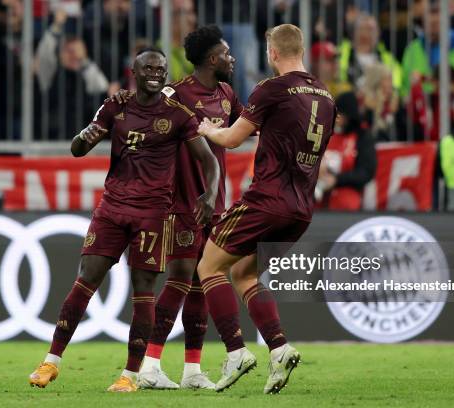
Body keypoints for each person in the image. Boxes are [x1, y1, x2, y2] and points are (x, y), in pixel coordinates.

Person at [28, 47, 220, 393]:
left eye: (160, 69)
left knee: (143, 290)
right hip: (113, 207)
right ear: (134, 71)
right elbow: (79, 147)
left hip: (152, 213)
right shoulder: (116, 105)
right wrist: (82, 139)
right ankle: (51, 361)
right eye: (148, 68)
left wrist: (209, 194)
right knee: (86, 278)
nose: (155, 74)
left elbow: (209, 160)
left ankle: (130, 376)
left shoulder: (178, 114)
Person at [196, 24, 336, 394]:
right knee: (244, 275)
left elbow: (232, 139)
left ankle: (236, 351)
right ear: (302, 50)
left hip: (267, 200)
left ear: (272, 53)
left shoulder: (271, 88)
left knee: (209, 267)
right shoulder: (325, 96)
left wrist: (208, 128)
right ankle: (279, 349)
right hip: (301, 208)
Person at [136, 24, 243, 390]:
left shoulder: (228, 93)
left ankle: (192, 370)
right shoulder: (176, 94)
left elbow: (248, 125)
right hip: (181, 201)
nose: (233, 58)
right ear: (213, 59)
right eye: (227, 54)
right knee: (181, 278)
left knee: (202, 281)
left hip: (215, 201)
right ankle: (149, 365)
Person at [35, 8, 110, 139]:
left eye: (74, 47)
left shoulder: (87, 70)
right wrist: (56, 28)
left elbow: (102, 88)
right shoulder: (50, 73)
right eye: (66, 48)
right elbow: (45, 55)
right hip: (52, 141)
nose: (71, 51)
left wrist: (83, 60)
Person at [316, 91, 376, 210]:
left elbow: (366, 172)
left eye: (340, 114)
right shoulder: (327, 133)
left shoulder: (362, 136)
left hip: (347, 203)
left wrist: (337, 180)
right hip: (318, 201)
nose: (337, 118)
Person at [338, 14, 402, 90]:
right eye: (362, 28)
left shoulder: (388, 59)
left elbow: (396, 84)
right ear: (354, 32)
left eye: (370, 29)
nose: (365, 33)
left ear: (378, 33)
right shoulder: (341, 53)